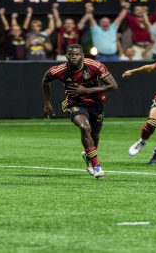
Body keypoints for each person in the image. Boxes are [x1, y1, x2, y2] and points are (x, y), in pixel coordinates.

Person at [42, 44, 118, 178]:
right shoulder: (59, 70)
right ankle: (96, 166)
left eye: (77, 54)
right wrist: (47, 102)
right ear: (66, 56)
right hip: (74, 103)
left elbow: (113, 86)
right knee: (84, 127)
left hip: (96, 104)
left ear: (82, 56)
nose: (74, 57)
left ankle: (88, 156)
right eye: (71, 55)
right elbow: (45, 79)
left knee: (95, 136)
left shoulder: (95, 66)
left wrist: (86, 90)